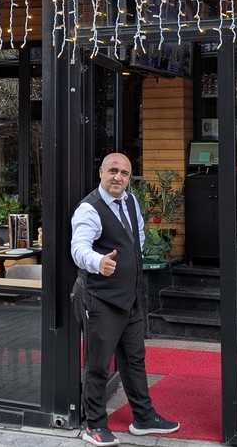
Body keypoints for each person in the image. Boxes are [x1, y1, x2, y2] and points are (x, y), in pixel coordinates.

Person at [71, 152, 180, 446]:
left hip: (130, 298)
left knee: (134, 359)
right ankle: (94, 425)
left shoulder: (130, 201)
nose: (118, 177)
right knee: (97, 364)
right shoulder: (89, 209)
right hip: (101, 299)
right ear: (102, 173)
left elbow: (138, 235)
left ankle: (144, 418)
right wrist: (97, 262)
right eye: (113, 171)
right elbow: (78, 247)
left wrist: (132, 259)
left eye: (124, 173)